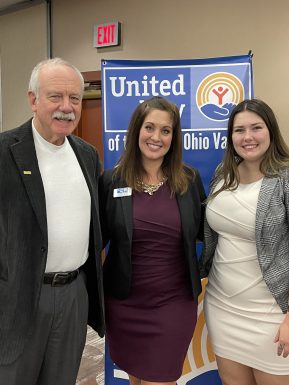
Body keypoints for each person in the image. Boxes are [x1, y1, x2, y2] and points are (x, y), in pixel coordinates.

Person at [0, 58, 105, 385]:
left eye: (74, 98)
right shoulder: (4, 151)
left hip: (73, 294)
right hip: (17, 297)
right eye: (55, 97)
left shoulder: (87, 154)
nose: (67, 107)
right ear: (33, 100)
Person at [99, 96, 206, 385]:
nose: (156, 137)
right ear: (136, 131)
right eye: (149, 127)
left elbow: (207, 233)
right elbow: (96, 241)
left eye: (166, 130)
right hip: (124, 304)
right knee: (136, 379)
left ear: (174, 137)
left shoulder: (189, 180)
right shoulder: (112, 181)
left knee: (160, 378)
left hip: (173, 304)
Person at [201, 99, 289, 385]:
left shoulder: (285, 178)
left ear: (271, 131)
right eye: (239, 130)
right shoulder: (222, 176)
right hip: (223, 308)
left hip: (272, 315)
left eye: (256, 128)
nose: (247, 137)